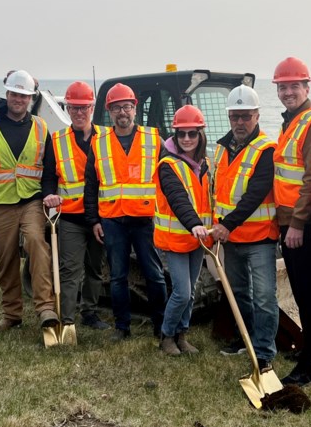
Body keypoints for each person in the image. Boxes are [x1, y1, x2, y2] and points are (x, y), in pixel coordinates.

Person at [0, 70, 59, 334]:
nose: (19, 99)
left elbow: (49, 167)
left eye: (24, 95)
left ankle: (45, 308)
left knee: (35, 242)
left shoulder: (41, 127)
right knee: (6, 257)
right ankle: (11, 314)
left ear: (31, 98)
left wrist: (49, 193)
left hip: (32, 200)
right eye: (15, 94)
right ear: (7, 94)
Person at [84, 83, 168, 340]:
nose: (123, 112)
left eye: (127, 107)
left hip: (145, 220)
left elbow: (169, 179)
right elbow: (91, 184)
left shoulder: (154, 139)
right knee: (118, 276)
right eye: (117, 107)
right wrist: (93, 220)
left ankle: (161, 325)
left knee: (154, 274)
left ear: (135, 109)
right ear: (109, 111)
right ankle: (122, 327)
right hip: (112, 221)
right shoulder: (98, 143)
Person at [211, 85, 280, 372]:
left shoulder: (266, 150)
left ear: (257, 116)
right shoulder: (221, 148)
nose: (240, 122)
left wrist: (226, 225)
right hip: (231, 239)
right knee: (239, 292)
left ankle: (264, 352)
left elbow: (256, 194)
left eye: (245, 116)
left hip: (260, 237)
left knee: (264, 297)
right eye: (235, 117)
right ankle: (245, 339)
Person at [271, 57, 311, 386]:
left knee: (308, 293)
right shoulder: (291, 122)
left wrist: (296, 223)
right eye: (283, 87)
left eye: (294, 86)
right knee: (306, 289)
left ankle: (310, 366)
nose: (288, 91)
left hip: (303, 223)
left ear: (307, 87)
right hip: (290, 219)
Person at [47, 81, 110, 330]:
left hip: (100, 217)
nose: (79, 113)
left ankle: (91, 314)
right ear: (67, 109)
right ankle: (68, 318)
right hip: (71, 218)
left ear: (92, 107)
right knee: (70, 271)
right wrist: (49, 194)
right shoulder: (57, 139)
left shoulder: (106, 137)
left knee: (95, 269)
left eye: (84, 107)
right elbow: (50, 176)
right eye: (74, 108)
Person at [154, 105, 212, 355]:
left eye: (192, 134)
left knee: (192, 291)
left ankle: (182, 335)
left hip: (199, 239)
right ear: (175, 136)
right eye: (181, 134)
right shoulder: (168, 165)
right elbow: (178, 199)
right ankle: (166, 336)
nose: (187, 139)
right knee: (182, 291)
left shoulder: (206, 164)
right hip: (177, 237)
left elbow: (212, 198)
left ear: (200, 135)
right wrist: (194, 224)